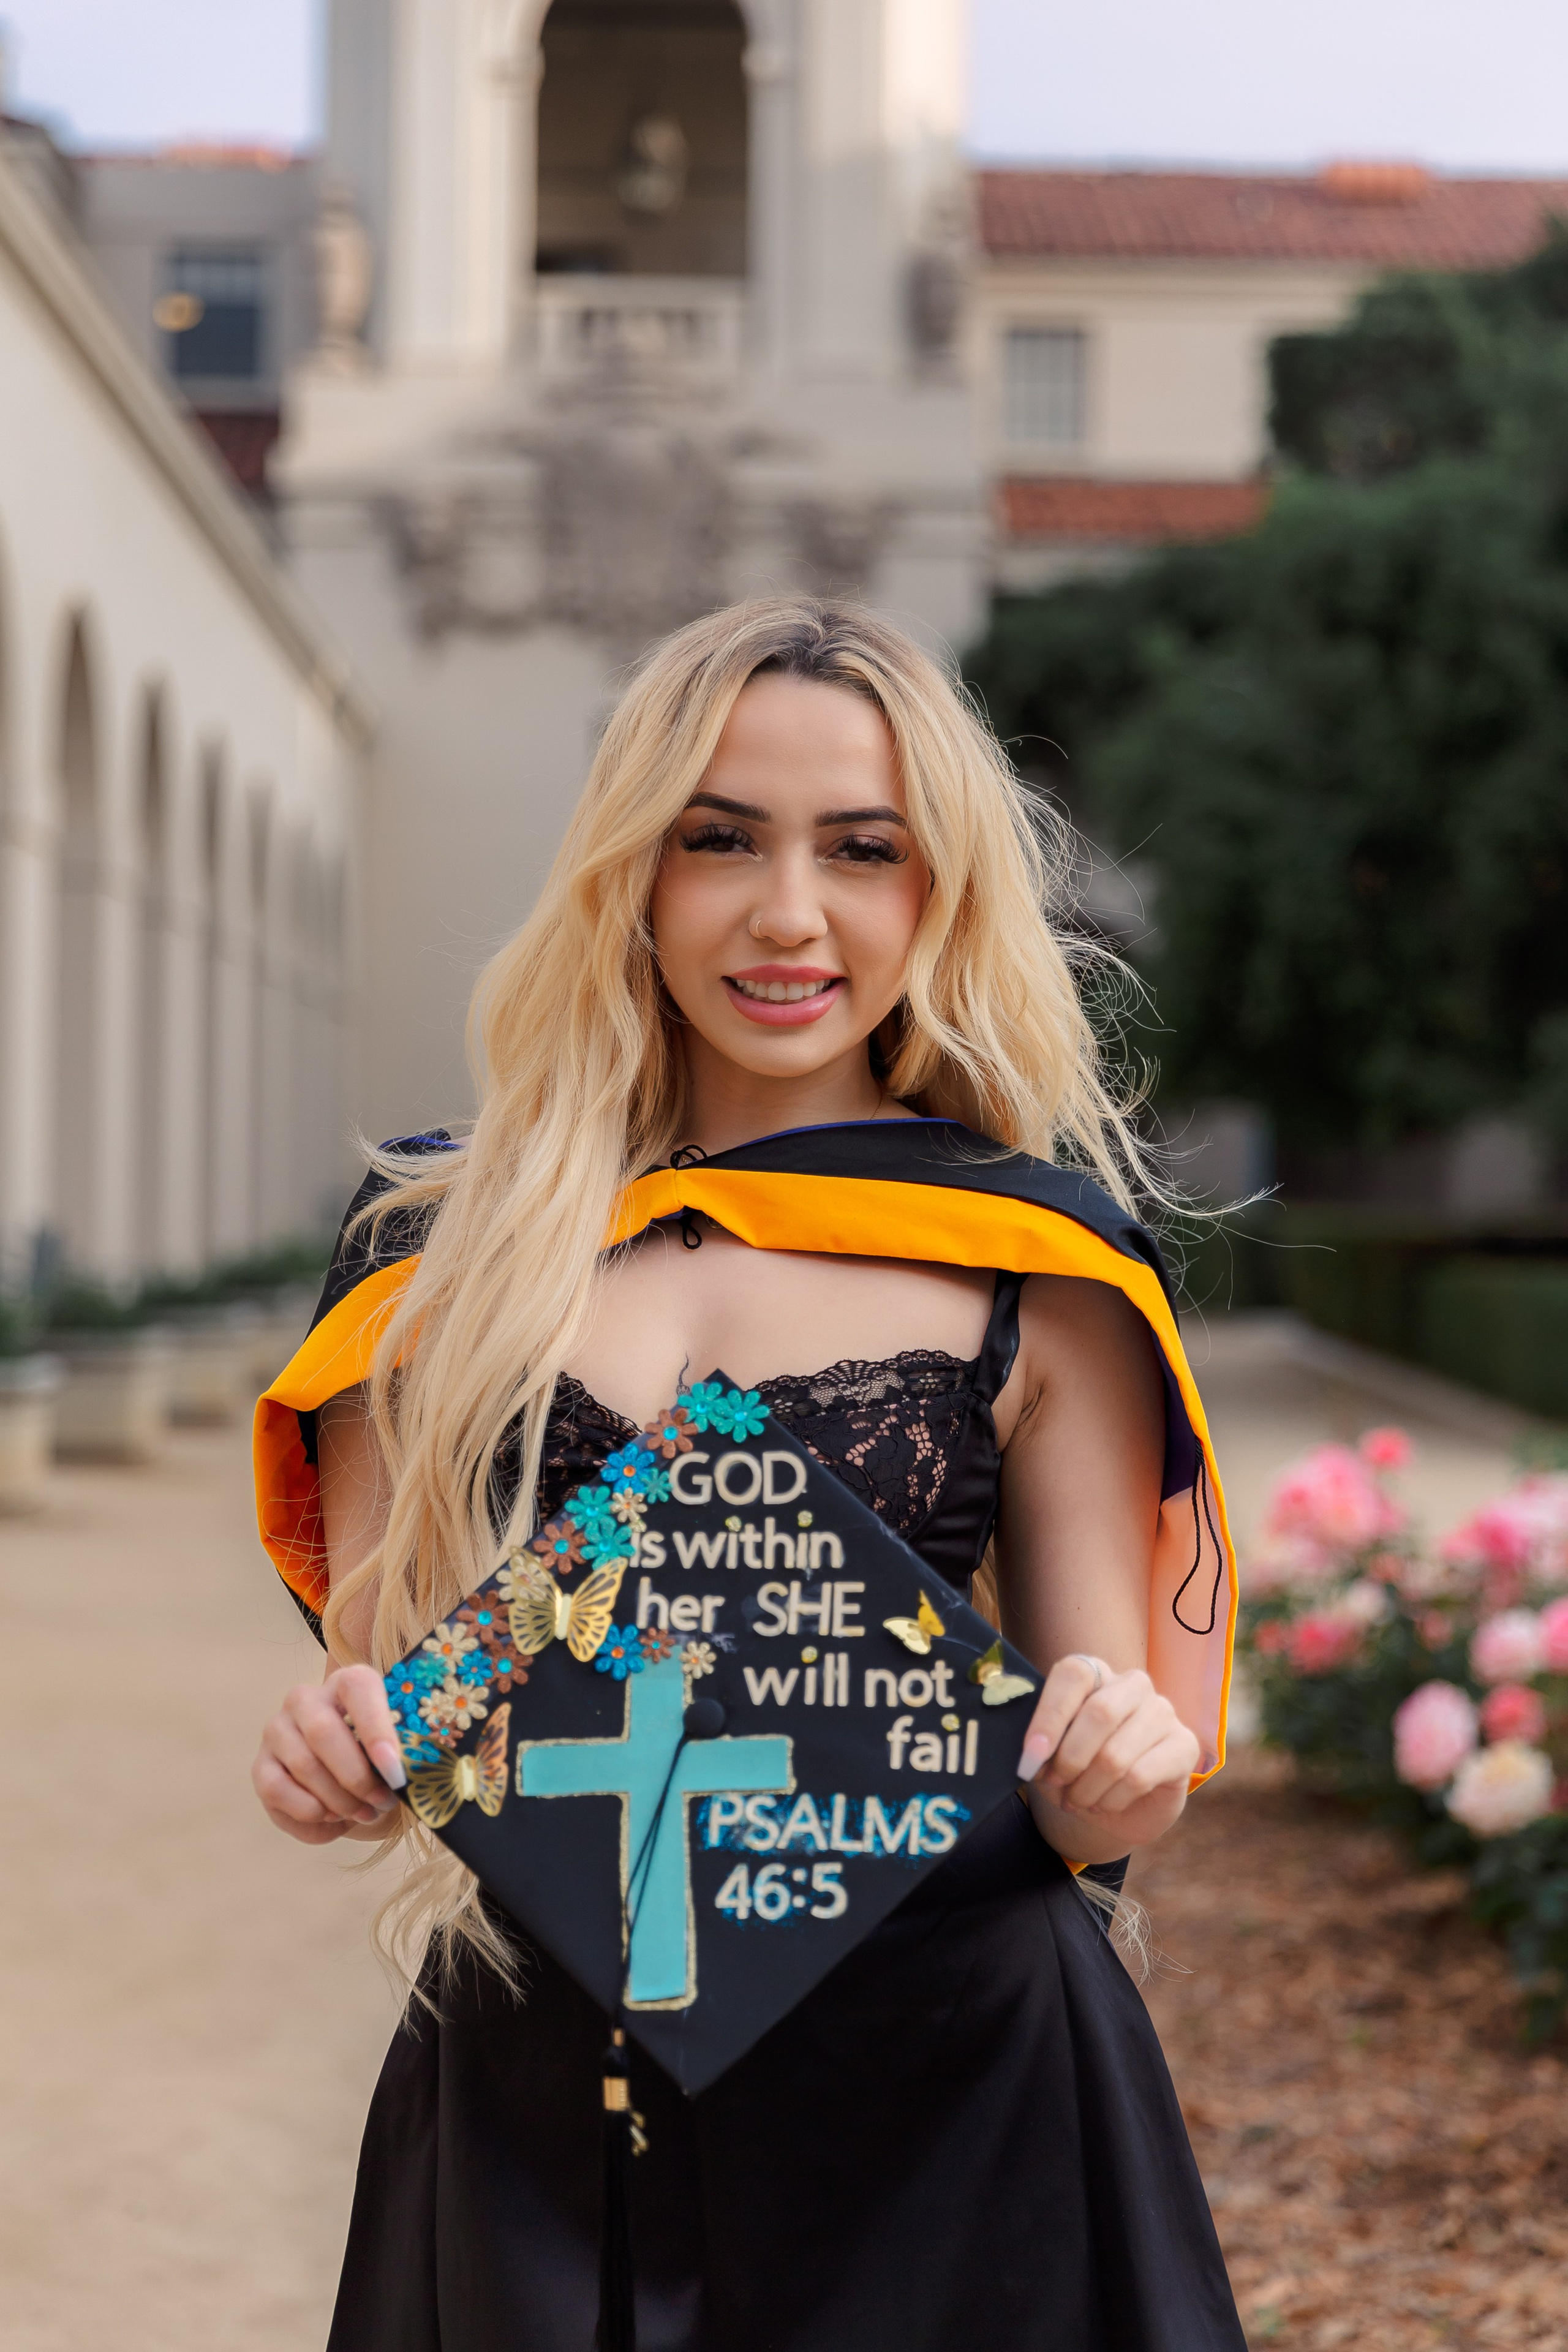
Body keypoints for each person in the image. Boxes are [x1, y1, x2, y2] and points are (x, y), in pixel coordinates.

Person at [251, 598, 1246, 2351]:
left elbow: (1102, 1805)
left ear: (936, 892)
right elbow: (401, 1700)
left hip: (965, 2098)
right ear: (632, 870)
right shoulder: (431, 1255)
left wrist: (1123, 1756)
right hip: (553, 2099)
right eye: (721, 839)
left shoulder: (1039, 1261)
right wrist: (338, 1750)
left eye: (863, 851)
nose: (791, 914)